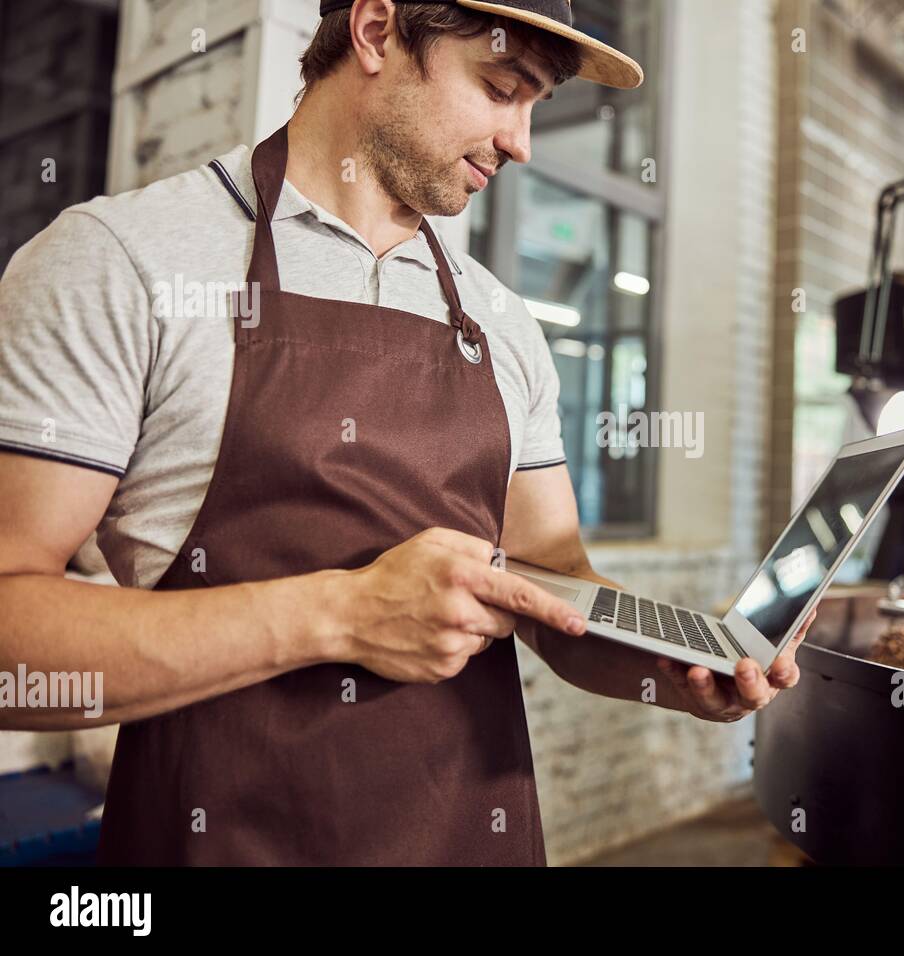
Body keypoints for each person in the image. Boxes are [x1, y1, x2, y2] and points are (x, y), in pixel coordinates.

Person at [0, 0, 814, 865]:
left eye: (535, 104)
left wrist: (672, 668)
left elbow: (556, 584)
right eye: (501, 88)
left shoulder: (501, 321)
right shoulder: (122, 261)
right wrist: (342, 616)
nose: (522, 142)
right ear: (377, 29)